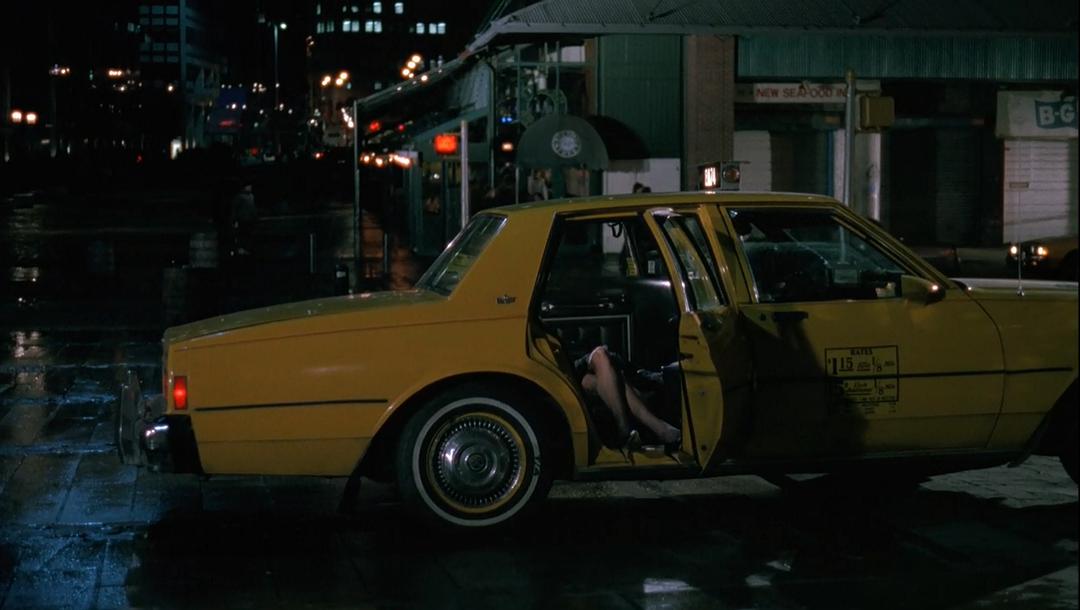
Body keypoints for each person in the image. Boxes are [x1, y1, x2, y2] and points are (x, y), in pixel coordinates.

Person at [576, 345, 681, 451]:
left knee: (608, 380)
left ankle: (629, 434)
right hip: (572, 375)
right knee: (599, 355)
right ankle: (655, 429)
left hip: (585, 375)